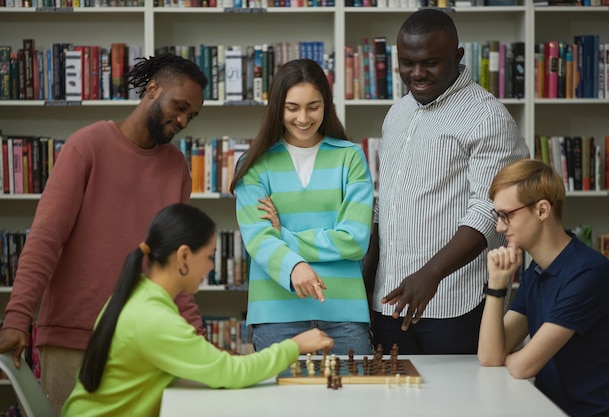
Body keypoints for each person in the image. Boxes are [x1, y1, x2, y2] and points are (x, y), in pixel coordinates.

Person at [0, 53, 209, 414]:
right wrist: (18, 316)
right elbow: (45, 240)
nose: (182, 120)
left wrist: (199, 341)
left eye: (191, 115)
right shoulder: (87, 146)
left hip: (142, 346)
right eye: (179, 107)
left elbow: (178, 266)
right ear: (152, 89)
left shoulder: (177, 168)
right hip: (73, 341)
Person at [61, 203, 334, 417]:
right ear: (183, 257)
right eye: (209, 257)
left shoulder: (139, 296)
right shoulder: (151, 317)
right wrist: (295, 345)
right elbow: (231, 373)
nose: (212, 267)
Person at [363, 8, 529, 355]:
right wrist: (366, 284)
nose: (417, 73)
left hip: (455, 304)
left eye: (431, 63)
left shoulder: (488, 117)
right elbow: (385, 204)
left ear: (457, 56)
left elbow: (489, 211)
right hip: (390, 301)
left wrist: (431, 274)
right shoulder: (397, 113)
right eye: (407, 63)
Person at [229, 58, 374, 355]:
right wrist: (294, 267)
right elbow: (258, 237)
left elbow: (355, 239)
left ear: (326, 105)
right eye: (292, 107)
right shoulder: (253, 165)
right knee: (279, 402)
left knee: (357, 401)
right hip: (276, 315)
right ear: (277, 107)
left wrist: (286, 238)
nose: (303, 118)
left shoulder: (350, 157)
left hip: (344, 313)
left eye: (313, 106)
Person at [478, 159, 609, 417]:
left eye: (507, 215)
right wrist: (497, 286)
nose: (500, 227)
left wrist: (513, 359)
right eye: (497, 216)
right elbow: (490, 357)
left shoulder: (588, 274)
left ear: (542, 210)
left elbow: (522, 367)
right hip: (549, 409)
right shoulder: (536, 270)